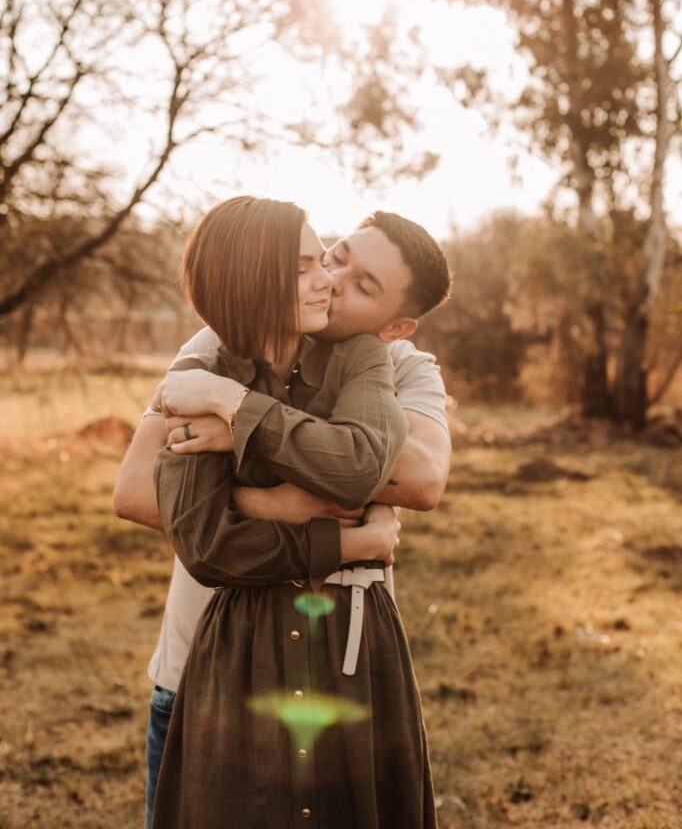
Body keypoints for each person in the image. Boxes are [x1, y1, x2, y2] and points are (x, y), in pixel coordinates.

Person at [114, 205, 452, 827]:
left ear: (396, 326)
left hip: (341, 670)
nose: (332, 279)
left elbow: (422, 478)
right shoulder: (212, 347)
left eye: (363, 284)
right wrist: (289, 508)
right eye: (336, 255)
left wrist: (237, 420)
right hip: (204, 663)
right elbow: (136, 491)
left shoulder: (395, 363)